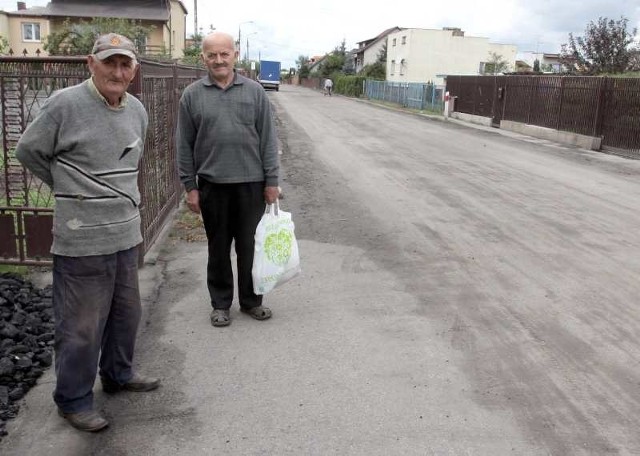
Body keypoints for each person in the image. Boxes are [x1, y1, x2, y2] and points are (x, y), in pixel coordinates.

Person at [15, 33, 160, 433]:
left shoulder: (137, 110)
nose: (117, 71)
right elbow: (28, 150)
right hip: (81, 241)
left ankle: (118, 374)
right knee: (80, 328)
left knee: (125, 316)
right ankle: (74, 399)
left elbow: (130, 162)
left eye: (125, 64)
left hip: (125, 236)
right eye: (109, 62)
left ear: (134, 70)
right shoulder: (65, 104)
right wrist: (69, 186)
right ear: (90, 63)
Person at [176, 31, 279, 328]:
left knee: (250, 247)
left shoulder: (255, 91)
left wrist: (272, 181)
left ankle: (251, 301)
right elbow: (183, 145)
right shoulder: (192, 95)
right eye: (212, 55)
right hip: (212, 185)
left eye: (224, 54)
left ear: (235, 55)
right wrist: (190, 186)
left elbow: (268, 139)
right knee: (218, 248)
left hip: (251, 184)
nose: (218, 60)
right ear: (203, 58)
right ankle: (220, 304)